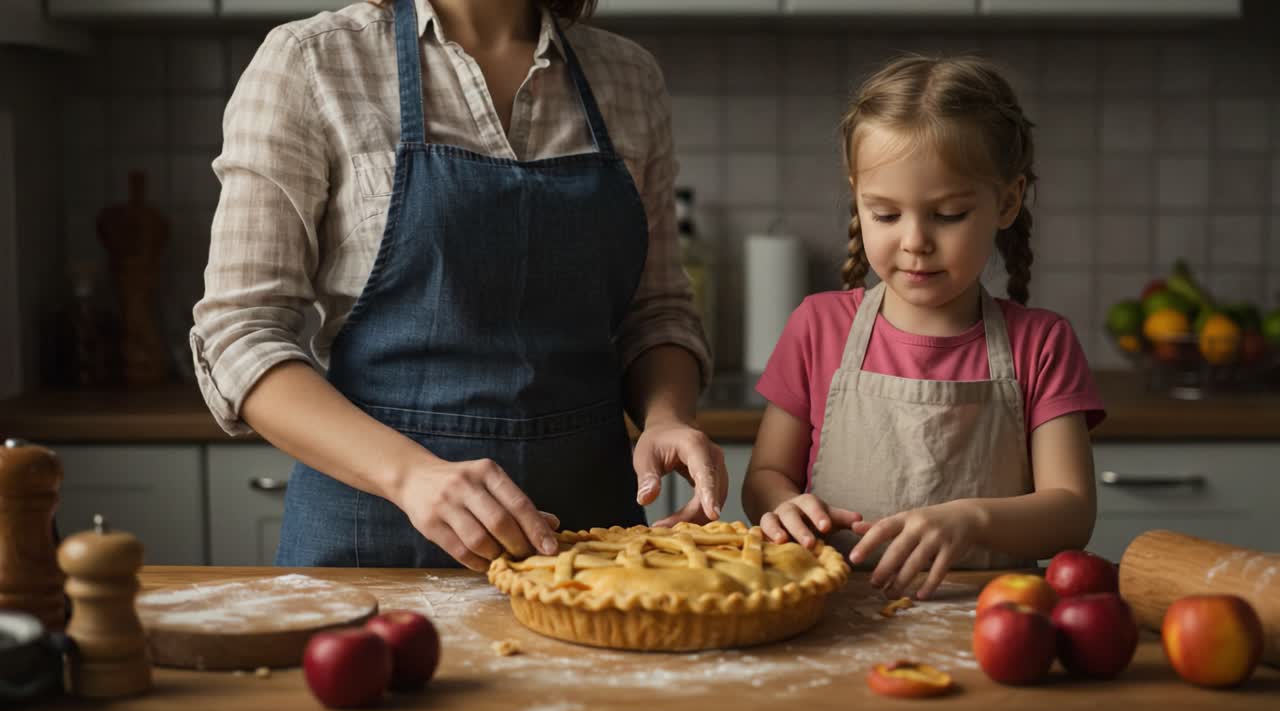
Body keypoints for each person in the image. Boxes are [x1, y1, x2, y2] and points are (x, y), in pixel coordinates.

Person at [191, 0, 726, 571]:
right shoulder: (312, 61)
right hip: (371, 542)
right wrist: (411, 476)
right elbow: (240, 335)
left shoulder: (629, 76)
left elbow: (657, 312)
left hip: (588, 544)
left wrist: (668, 417)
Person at [742, 55, 1106, 601]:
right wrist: (783, 506)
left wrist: (972, 521)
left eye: (949, 214)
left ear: (1007, 201)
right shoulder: (818, 327)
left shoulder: (1042, 344)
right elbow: (765, 476)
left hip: (994, 619)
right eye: (886, 215)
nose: (915, 241)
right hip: (836, 618)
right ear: (857, 198)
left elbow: (1072, 512)